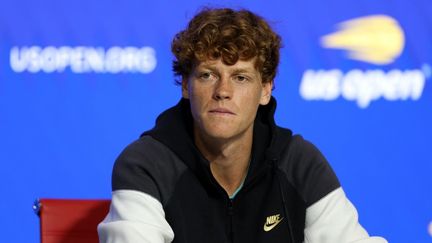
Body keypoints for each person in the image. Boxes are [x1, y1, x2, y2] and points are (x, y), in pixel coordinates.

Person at [98, 7, 387, 243]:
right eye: (208, 75)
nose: (223, 91)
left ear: (265, 90)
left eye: (240, 78)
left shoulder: (299, 163)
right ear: (186, 85)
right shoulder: (146, 164)